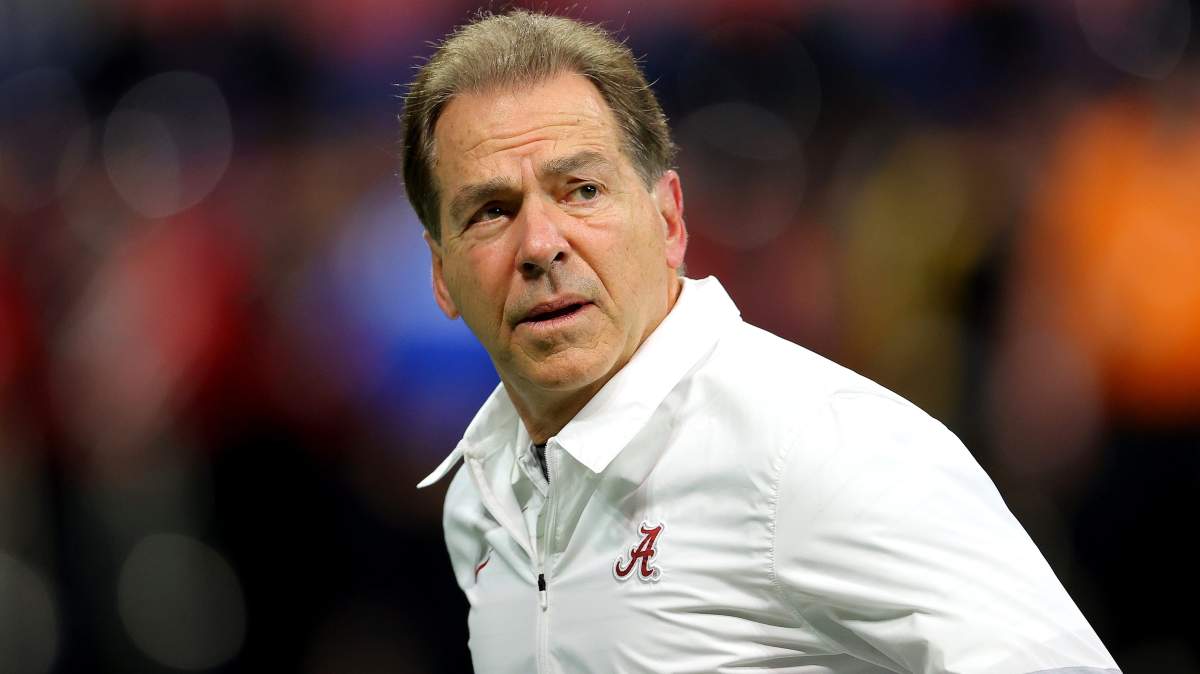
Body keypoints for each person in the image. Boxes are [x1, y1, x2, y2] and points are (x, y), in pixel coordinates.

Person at [403, 10, 1120, 674]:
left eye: (582, 190)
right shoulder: (482, 496)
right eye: (490, 211)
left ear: (669, 222)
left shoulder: (816, 444)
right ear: (441, 273)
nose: (540, 244)